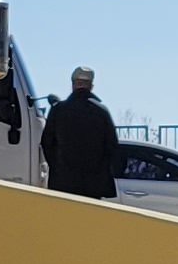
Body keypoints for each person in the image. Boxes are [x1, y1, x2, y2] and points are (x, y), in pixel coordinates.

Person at [44, 67, 121, 199]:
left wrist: (57, 168)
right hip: (93, 186)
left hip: (62, 183)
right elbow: (112, 147)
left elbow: (47, 143)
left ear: (73, 85)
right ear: (91, 87)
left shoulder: (58, 110)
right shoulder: (101, 112)